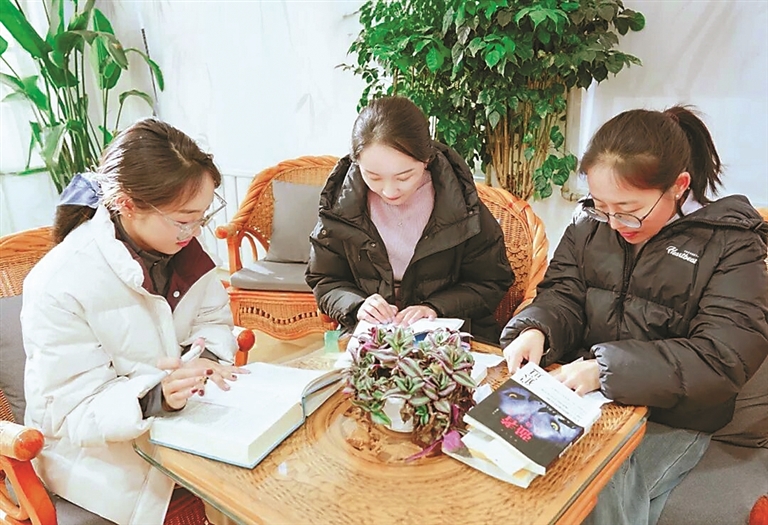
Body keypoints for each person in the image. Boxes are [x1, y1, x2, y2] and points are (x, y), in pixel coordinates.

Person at [500, 106, 768, 525]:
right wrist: (537, 327)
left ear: (679, 186)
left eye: (628, 209)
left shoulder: (732, 245)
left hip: (673, 418)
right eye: (601, 206)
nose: (614, 223)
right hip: (585, 399)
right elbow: (563, 293)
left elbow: (722, 358)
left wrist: (605, 370)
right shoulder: (590, 224)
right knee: (501, 453)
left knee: (593, 485)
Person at [21, 119, 248, 525]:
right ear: (126, 204)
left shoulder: (180, 245)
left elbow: (213, 318)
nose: (196, 230)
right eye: (184, 219)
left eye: (202, 215)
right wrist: (156, 395)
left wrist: (206, 358)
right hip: (100, 467)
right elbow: (72, 409)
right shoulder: (59, 283)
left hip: (185, 431)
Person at [305, 96, 514, 343]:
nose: (389, 191)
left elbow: (491, 282)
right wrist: (357, 305)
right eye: (373, 177)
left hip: (449, 338)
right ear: (356, 162)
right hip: (372, 338)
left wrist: (435, 307)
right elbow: (325, 279)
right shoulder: (340, 206)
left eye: (404, 177)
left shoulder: (461, 206)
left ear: (426, 160)